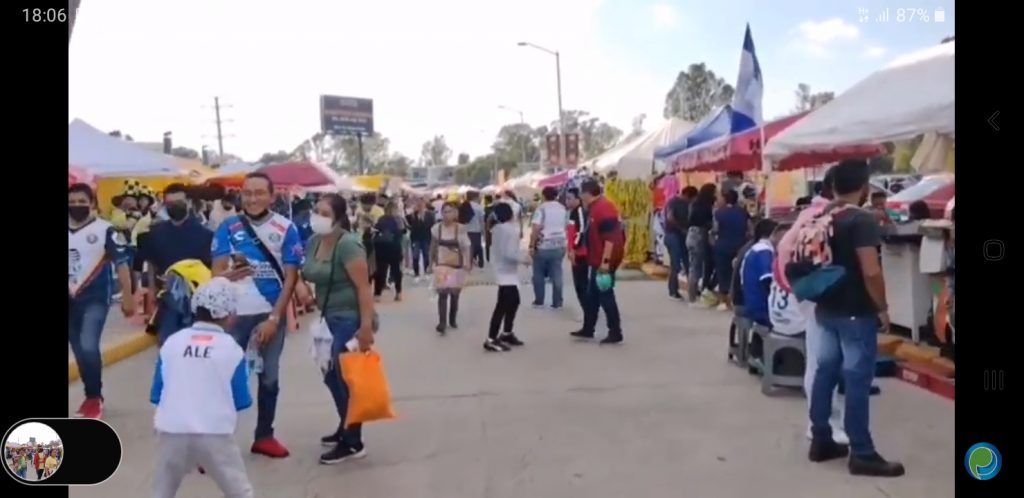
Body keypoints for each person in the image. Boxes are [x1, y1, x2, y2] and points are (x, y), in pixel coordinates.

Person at [806, 159, 904, 477]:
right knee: (857, 380)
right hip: (855, 310)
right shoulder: (861, 220)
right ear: (863, 187)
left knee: (825, 372)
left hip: (826, 307)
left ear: (833, 186)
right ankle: (862, 451)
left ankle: (821, 439)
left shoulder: (822, 215)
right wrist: (882, 307)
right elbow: (871, 271)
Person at [211, 172, 303, 459]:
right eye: (247, 193)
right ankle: (215, 444)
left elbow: (290, 278)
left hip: (270, 314)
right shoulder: (227, 227)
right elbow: (216, 272)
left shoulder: (286, 228)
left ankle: (264, 436)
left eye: (259, 192)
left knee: (269, 378)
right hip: (233, 317)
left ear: (271, 196)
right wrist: (230, 275)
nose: (252, 198)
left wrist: (274, 319)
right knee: (224, 378)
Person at [149, 277, 255, 498]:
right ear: (229, 315)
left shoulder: (172, 342)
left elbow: (157, 393)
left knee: (163, 490)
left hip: (172, 429)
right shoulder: (231, 349)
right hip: (214, 432)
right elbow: (242, 400)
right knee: (239, 491)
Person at [299, 194, 377, 464]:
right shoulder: (314, 241)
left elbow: (364, 288)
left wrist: (366, 327)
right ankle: (345, 424)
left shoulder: (348, 245)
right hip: (327, 318)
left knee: (344, 376)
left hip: (349, 317)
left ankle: (353, 441)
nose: (317, 217)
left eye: (325, 213)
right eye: (316, 211)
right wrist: (301, 287)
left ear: (338, 217)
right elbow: (304, 271)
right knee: (330, 375)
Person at [776, 167, 849, 446]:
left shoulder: (810, 213)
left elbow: (784, 248)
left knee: (820, 359)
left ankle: (821, 421)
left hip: (810, 293)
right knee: (823, 361)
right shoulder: (828, 216)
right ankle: (824, 423)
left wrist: (795, 286)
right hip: (824, 295)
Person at [69, 183, 135, 419]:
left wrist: (128, 297)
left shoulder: (106, 230)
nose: (76, 206)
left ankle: (94, 398)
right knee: (79, 350)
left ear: (92, 203)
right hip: (70, 300)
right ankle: (91, 394)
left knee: (88, 344)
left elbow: (122, 264)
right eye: (72, 202)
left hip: (95, 298)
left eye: (82, 202)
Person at [142, 183, 214, 345]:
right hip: (166, 299)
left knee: (194, 345)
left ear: (188, 202)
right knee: (167, 343)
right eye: (170, 203)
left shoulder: (206, 235)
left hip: (197, 300)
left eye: (179, 202)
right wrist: (151, 291)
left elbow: (211, 268)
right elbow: (151, 263)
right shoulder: (156, 233)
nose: (174, 207)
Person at [571, 180, 625, 344]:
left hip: (604, 262)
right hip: (596, 261)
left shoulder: (604, 209)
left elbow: (611, 240)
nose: (580, 197)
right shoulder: (594, 208)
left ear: (587, 193)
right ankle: (588, 328)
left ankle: (615, 331)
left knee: (605, 296)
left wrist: (605, 265)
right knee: (592, 296)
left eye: (581, 193)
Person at [486, 202, 525, 352]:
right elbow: (509, 253)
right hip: (506, 272)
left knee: (512, 302)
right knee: (503, 305)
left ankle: (507, 333)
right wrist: (524, 259)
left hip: (502, 270)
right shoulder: (510, 230)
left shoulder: (496, 229)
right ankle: (491, 338)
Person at [431, 202, 471, 334]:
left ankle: (452, 318)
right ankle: (442, 322)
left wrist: (467, 262)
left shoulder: (460, 229)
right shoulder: (436, 229)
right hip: (441, 264)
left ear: (455, 214)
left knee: (454, 293)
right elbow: (433, 246)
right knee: (442, 293)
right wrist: (430, 262)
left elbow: (466, 247)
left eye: (450, 211)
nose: (447, 215)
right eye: (445, 212)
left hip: (456, 265)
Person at [529, 186, 568, 308]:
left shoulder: (541, 209)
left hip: (543, 245)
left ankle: (539, 300)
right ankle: (557, 301)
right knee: (557, 273)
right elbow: (566, 226)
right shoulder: (563, 208)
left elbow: (536, 228)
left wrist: (531, 245)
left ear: (543, 196)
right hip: (559, 244)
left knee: (538, 273)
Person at [712, 189, 750, 309]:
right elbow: (749, 229)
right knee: (737, 272)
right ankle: (736, 299)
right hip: (740, 246)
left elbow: (715, 229)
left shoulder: (719, 213)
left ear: (725, 199)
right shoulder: (743, 212)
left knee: (722, 272)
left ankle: (724, 301)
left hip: (722, 246)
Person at [739, 219, 778, 328]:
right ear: (772, 235)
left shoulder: (755, 249)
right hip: (762, 308)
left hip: (751, 303)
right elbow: (767, 281)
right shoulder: (764, 251)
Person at [685, 184, 716, 304]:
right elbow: (708, 223)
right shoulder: (706, 207)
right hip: (699, 235)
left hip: (691, 234)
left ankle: (692, 295)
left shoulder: (694, 204)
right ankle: (692, 297)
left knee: (693, 266)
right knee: (696, 267)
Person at [663, 186, 696, 299]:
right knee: (676, 263)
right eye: (691, 199)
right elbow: (670, 217)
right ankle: (673, 290)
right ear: (686, 195)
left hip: (683, 236)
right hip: (673, 235)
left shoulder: (688, 204)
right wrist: (681, 228)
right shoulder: (673, 202)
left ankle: (692, 290)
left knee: (688, 263)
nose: (691, 201)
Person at [373, 201, 406, 301]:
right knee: (396, 271)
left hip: (381, 248)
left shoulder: (381, 219)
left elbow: (375, 231)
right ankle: (398, 293)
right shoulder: (399, 220)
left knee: (380, 271)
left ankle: (377, 294)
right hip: (394, 248)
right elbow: (403, 232)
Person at [564, 188, 590, 310]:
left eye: (569, 198)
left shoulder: (579, 211)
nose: (567, 201)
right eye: (566, 198)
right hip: (576, 251)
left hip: (581, 253)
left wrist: (573, 249)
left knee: (581, 284)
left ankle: (588, 309)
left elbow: (580, 232)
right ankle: (587, 308)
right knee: (579, 283)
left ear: (577, 199)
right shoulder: (573, 212)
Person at [406, 197, 435, 278]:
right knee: (415, 256)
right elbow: (408, 224)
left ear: (424, 204)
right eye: (418, 204)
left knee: (426, 255)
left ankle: (426, 270)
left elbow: (432, 225)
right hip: (416, 238)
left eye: (421, 203)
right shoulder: (412, 215)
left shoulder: (430, 214)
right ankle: (416, 272)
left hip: (426, 237)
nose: (419, 205)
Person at [461, 191, 486, 268]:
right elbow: (481, 220)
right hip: (476, 229)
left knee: (468, 246)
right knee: (478, 246)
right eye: (478, 196)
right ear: (475, 197)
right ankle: (480, 261)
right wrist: (483, 231)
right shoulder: (478, 207)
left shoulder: (463, 206)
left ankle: (470, 260)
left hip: (465, 229)